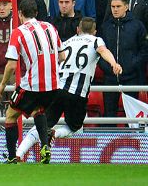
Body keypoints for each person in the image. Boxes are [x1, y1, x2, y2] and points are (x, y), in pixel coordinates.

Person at [16, 17, 122, 160]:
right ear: (94, 31)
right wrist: (114, 63)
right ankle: (55, 133)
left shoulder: (67, 42)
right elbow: (103, 51)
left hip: (56, 90)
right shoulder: (96, 40)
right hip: (76, 93)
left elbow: (56, 59)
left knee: (42, 124)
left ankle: (18, 153)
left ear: (78, 30)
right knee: (74, 127)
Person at [0, 0, 62, 164]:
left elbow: (11, 65)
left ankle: (12, 156)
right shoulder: (50, 28)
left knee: (11, 115)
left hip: (32, 85)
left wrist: (3, 84)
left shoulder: (18, 32)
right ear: (37, 13)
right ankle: (45, 146)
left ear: (19, 14)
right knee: (37, 110)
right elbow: (62, 56)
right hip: (54, 85)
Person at [100, 0, 148, 120]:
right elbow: (99, 51)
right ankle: (109, 139)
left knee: (131, 115)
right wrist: (108, 67)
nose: (115, 9)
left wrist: (131, 65)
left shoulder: (137, 26)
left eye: (118, 6)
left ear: (126, 7)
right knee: (109, 115)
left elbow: (144, 51)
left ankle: (132, 140)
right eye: (112, 6)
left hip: (131, 77)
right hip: (110, 78)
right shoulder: (105, 27)